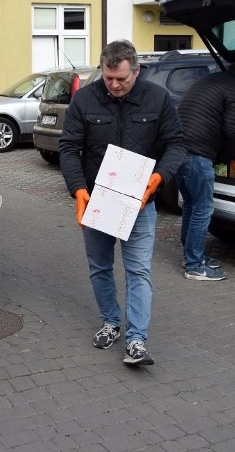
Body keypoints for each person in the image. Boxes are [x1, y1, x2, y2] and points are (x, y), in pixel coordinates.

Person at [59, 39, 186, 366]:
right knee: (100, 267)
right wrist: (78, 190)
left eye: (122, 79)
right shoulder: (84, 99)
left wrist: (159, 177)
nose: (114, 85)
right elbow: (69, 148)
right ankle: (110, 322)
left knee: (139, 270)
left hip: (140, 203)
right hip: (96, 200)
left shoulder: (157, 99)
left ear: (137, 71)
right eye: (108, 77)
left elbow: (175, 145)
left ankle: (136, 339)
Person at [175, 63, 235, 281]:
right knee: (203, 208)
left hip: (177, 150)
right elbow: (232, 127)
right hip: (197, 154)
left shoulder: (207, 81)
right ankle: (195, 265)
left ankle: (191, 255)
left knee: (191, 204)